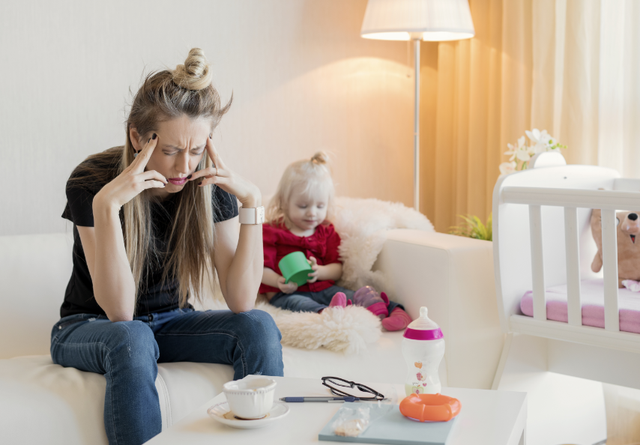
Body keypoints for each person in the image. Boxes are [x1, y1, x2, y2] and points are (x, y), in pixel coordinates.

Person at [51, 48, 283, 445]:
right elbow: (120, 313)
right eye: (172, 150)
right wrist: (106, 207)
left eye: (196, 151)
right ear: (137, 137)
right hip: (90, 326)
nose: (184, 168)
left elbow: (242, 301)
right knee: (133, 337)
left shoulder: (208, 187)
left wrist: (252, 205)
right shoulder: (92, 181)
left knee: (258, 325)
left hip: (171, 321)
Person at [259, 152, 413, 331]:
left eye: (320, 206)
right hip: (288, 292)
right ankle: (328, 312)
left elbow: (337, 269)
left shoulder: (326, 232)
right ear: (284, 203)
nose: (312, 213)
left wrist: (320, 271)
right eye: (303, 206)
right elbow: (260, 269)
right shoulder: (271, 232)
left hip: (324, 289)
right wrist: (278, 281)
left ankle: (393, 309)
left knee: (352, 294)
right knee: (298, 303)